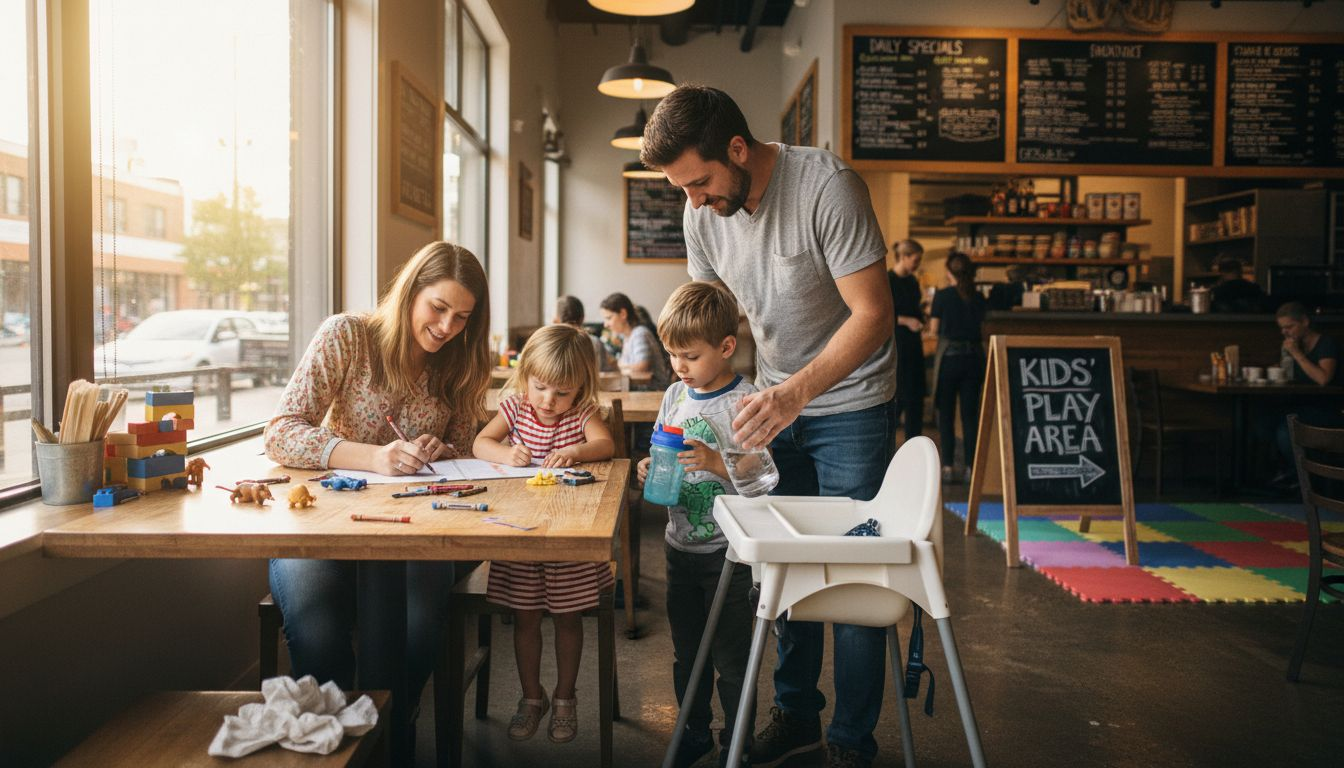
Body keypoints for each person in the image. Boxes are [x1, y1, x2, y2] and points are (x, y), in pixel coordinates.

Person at [642, 85, 896, 768]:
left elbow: (873, 314)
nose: (693, 201)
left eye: (699, 182)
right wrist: (707, 396)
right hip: (775, 402)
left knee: (849, 579)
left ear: (737, 148)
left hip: (851, 406)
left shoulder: (826, 187)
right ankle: (799, 716)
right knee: (780, 568)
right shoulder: (702, 215)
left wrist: (793, 396)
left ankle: (850, 743)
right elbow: (713, 321)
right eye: (681, 189)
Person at [263, 241, 492, 763]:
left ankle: (392, 733)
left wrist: (441, 447)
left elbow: (463, 450)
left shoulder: (459, 364)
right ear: (411, 291)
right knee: (318, 624)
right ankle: (337, 743)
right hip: (326, 520)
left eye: (462, 317)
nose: (447, 327)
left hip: (419, 525)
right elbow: (280, 433)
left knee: (414, 624)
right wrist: (371, 457)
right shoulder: (348, 335)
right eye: (438, 308)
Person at [472, 323, 616, 743]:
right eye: (540, 388)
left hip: (569, 537)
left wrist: (575, 450)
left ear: (581, 389)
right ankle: (532, 697)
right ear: (525, 377)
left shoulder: (583, 414)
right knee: (525, 619)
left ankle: (565, 697)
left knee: (569, 620)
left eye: (562, 393)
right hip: (519, 534)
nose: (549, 401)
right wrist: (505, 452)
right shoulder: (516, 408)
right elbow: (481, 444)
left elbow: (604, 445)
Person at [636, 281, 756, 768]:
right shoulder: (673, 395)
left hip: (731, 555)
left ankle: (738, 737)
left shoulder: (745, 401)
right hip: (679, 546)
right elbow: (660, 449)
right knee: (688, 652)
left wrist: (716, 462)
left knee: (731, 656)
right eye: (671, 356)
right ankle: (694, 730)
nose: (678, 367)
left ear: (726, 348)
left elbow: (760, 472)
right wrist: (648, 466)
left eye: (688, 355)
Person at [1270, 302, 1343, 487]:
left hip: (1326, 409)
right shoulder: (1293, 346)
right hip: (1299, 404)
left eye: (1290, 327)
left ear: (1304, 321)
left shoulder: (1326, 343)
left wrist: (1296, 354)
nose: (1286, 333)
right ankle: (1289, 473)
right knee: (1262, 420)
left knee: (1285, 430)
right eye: (1282, 329)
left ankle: (1304, 478)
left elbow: (1323, 378)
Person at [929, 252, 987, 484]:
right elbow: (983, 330)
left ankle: (948, 466)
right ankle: (972, 468)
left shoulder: (942, 296)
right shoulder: (979, 297)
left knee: (946, 416)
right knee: (970, 417)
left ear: (948, 272)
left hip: (950, 361)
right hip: (974, 360)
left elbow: (934, 330)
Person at [888, 239, 926, 445]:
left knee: (915, 400)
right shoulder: (887, 280)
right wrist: (906, 320)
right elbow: (883, 315)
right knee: (898, 398)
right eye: (916, 259)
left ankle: (915, 447)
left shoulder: (912, 282)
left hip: (913, 345)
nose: (917, 264)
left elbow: (915, 309)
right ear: (903, 257)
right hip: (897, 345)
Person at [600, 291, 671, 390]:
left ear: (623, 314)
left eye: (609, 318)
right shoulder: (627, 337)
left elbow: (641, 367)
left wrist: (621, 366)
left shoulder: (640, 334)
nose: (605, 324)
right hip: (640, 391)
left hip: (653, 392)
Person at [554, 294, 615, 372]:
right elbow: (602, 370)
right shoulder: (595, 342)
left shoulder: (553, 342)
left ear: (556, 320)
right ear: (583, 318)